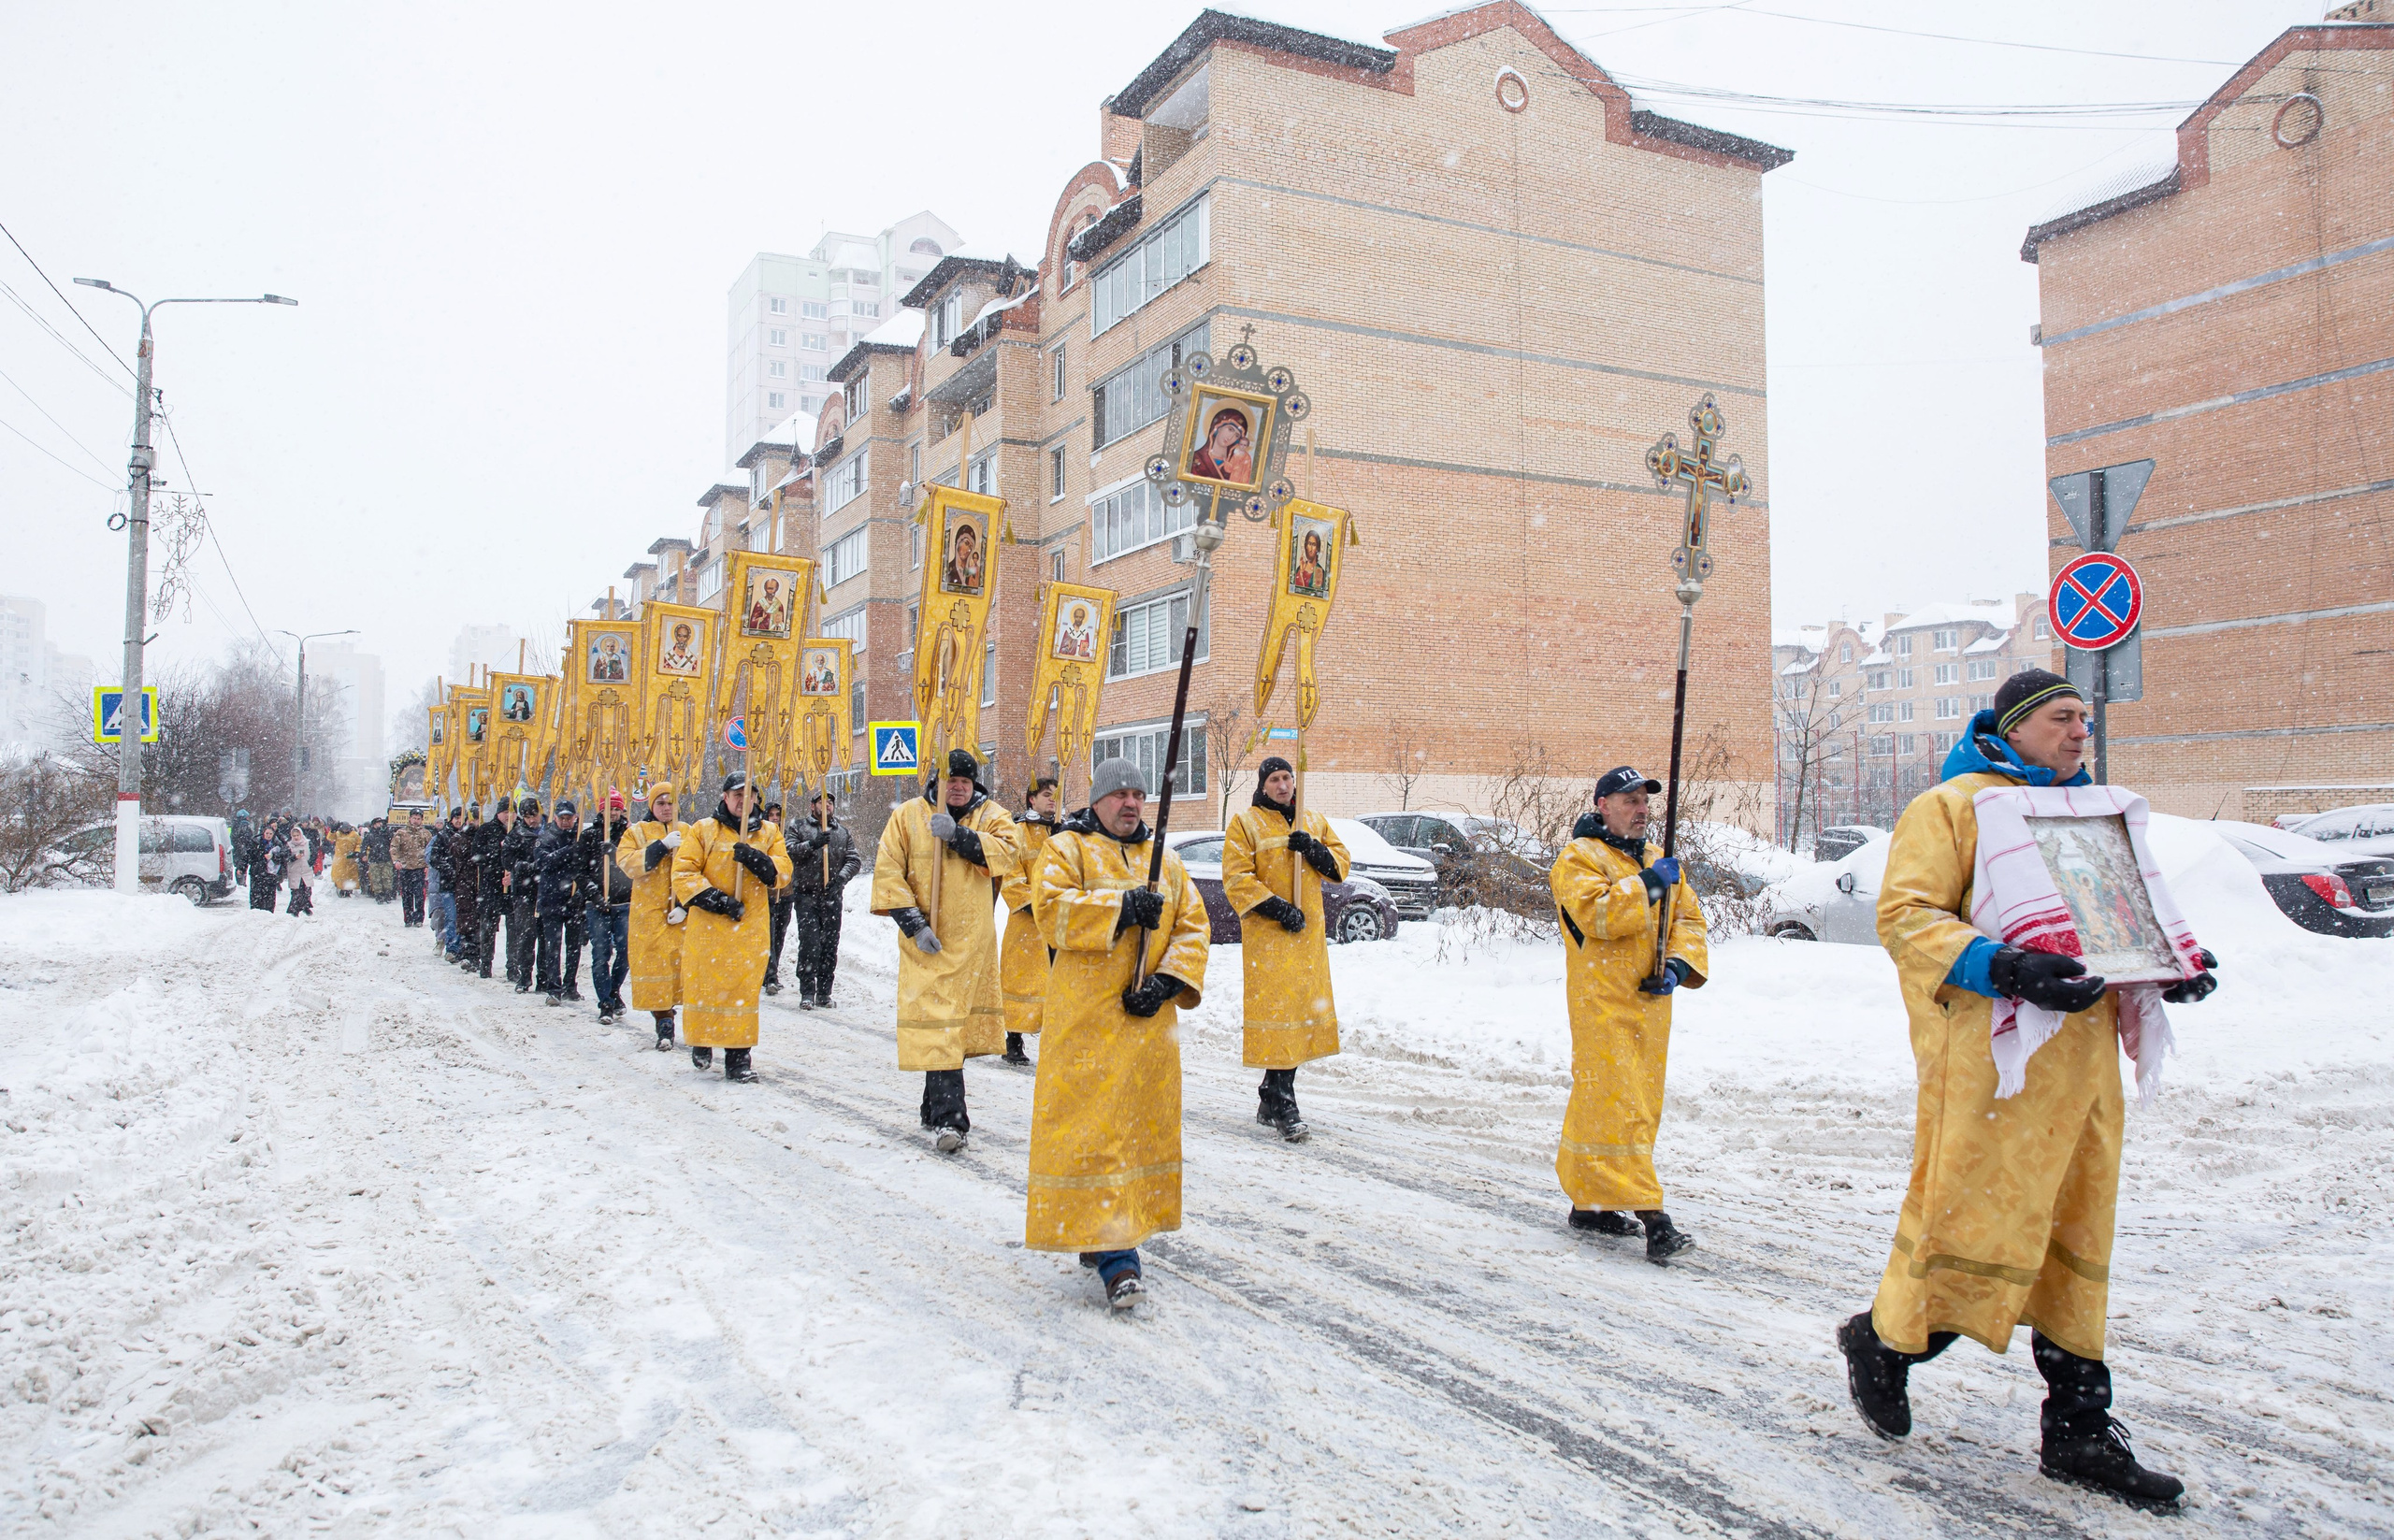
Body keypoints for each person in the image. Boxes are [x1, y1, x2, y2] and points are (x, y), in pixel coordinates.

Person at [1835, 669, 2217, 1513]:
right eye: (2061, 717)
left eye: (2085, 717)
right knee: (1977, 1220)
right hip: (1991, 1063)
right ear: (2014, 726)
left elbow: (2122, 917)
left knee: (2076, 1233)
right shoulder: (1954, 806)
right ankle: (1885, 1342)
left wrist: (2167, 969)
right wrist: (2003, 964)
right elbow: (1904, 917)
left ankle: (2079, 1427)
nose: (2081, 731)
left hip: (2082, 1067)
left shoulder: (2089, 813)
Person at [1026, 757, 1210, 1309]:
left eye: (1138, 793)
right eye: (1119, 795)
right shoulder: (1068, 849)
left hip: (1146, 1029)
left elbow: (1193, 927)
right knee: (1095, 1132)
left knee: (1133, 1133)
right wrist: (1120, 908)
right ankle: (1118, 1258)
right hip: (1085, 1027)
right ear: (1098, 801)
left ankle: (1104, 1230)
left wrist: (1166, 983)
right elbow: (1050, 910)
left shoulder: (1167, 862)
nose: (1130, 803)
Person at [1550, 765, 1707, 1262]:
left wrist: (1679, 966)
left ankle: (1590, 1202)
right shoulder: (1578, 859)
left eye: (1645, 802)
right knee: (1621, 1105)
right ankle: (1653, 1217)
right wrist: (1649, 887)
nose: (1641, 810)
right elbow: (1599, 917)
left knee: (1621, 1103)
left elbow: (1688, 919)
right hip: (1602, 1005)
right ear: (1603, 806)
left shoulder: (1659, 861)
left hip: (1650, 1006)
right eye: (1630, 800)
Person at [871, 749, 1023, 1150]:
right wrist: (914, 924)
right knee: (940, 1027)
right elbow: (889, 870)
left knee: (947, 1031)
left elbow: (1010, 851)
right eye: (950, 780)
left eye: (964, 782)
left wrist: (960, 837)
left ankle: (933, 1107)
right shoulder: (907, 815)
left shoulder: (991, 815)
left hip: (972, 946)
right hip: (928, 946)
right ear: (936, 782)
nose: (957, 788)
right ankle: (951, 1120)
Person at [1222, 756, 1350, 1140]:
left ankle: (1269, 1095)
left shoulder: (1311, 821)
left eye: (1287, 778)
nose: (1283, 785)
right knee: (1279, 1017)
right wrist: (1277, 908)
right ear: (1263, 785)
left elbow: (1341, 865)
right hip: (1270, 940)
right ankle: (1283, 1100)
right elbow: (1235, 878)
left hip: (1306, 941)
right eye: (1275, 779)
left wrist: (1313, 850)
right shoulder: (1245, 824)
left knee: (1296, 1018)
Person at [671, 772, 790, 1082]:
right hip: (709, 930)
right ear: (725, 797)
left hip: (748, 932)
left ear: (755, 799)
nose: (742, 800)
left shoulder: (769, 833)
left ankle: (738, 1058)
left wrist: (758, 860)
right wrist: (717, 901)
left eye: (748, 795)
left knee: (743, 994)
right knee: (706, 989)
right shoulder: (703, 830)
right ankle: (702, 1040)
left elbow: (783, 873)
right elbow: (683, 873)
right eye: (736, 794)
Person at [617, 784, 688, 1050]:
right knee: (655, 970)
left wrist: (685, 905)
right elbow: (630, 865)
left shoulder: (689, 831)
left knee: (683, 971)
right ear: (652, 806)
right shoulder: (637, 833)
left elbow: (699, 868)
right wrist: (660, 846)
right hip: (649, 917)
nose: (667, 808)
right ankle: (664, 1024)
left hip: (682, 917)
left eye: (671, 803)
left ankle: (691, 1027)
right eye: (661, 803)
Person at [998, 777, 1061, 1065]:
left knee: (1060, 984)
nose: (1052, 800)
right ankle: (1013, 1039)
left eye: (1056, 796)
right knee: (1022, 984)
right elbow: (1011, 878)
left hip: (1061, 923)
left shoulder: (1066, 833)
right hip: (1028, 924)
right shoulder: (1018, 833)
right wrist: (1037, 906)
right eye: (1047, 795)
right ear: (1031, 799)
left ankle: (1057, 1041)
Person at [784, 789, 859, 1010]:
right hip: (807, 895)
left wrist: (840, 879)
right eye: (821, 801)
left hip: (832, 896)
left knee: (829, 945)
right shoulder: (799, 827)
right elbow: (788, 851)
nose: (826, 805)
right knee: (810, 943)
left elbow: (853, 860)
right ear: (812, 806)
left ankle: (825, 992)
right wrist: (812, 845)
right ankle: (807, 990)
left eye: (830, 802)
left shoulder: (842, 832)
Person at [581, 792, 635, 1025]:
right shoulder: (589, 836)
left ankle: (614, 990)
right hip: (598, 905)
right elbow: (579, 871)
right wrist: (594, 894)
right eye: (609, 809)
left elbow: (637, 863)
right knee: (601, 953)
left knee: (625, 951)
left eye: (617, 809)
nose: (613, 813)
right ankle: (605, 1002)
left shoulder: (630, 835)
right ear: (601, 810)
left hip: (625, 902)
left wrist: (616, 852)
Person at [533, 799, 586, 1005]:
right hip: (551, 899)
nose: (566, 822)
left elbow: (587, 867)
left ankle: (570, 986)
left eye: (569, 818)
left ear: (575, 818)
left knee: (574, 947)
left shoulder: (580, 836)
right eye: (562, 818)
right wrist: (568, 851)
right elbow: (543, 862)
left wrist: (581, 892)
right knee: (552, 947)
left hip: (574, 901)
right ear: (556, 818)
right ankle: (553, 988)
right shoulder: (546, 837)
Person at [504, 799, 544, 991]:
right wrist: (523, 867)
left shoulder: (549, 831)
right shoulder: (516, 834)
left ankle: (544, 977)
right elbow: (507, 859)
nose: (531, 821)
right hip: (524, 892)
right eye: (527, 817)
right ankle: (524, 975)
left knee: (546, 937)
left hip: (546, 891)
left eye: (534, 816)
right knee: (526, 935)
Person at [473, 799, 515, 980]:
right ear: (498, 813)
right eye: (505, 811)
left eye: (511, 811)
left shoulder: (518, 830)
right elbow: (476, 855)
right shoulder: (486, 830)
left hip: (513, 888)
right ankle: (485, 963)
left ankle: (513, 966)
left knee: (515, 930)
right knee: (488, 928)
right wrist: (495, 850)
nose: (508, 815)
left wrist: (513, 874)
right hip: (490, 887)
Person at [390, 808, 433, 927]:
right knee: (407, 894)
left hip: (420, 868)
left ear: (421, 820)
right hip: (405, 868)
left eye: (418, 819)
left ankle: (419, 918)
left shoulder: (426, 834)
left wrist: (428, 865)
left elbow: (431, 850)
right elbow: (394, 848)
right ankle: (408, 918)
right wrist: (396, 861)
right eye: (414, 818)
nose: (416, 821)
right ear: (409, 818)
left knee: (420, 895)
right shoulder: (401, 833)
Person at [282, 822, 316, 915]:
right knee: (296, 891)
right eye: (294, 835)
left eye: (297, 835)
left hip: (306, 870)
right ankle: (294, 908)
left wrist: (309, 863)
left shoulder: (308, 843)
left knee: (307, 890)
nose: (296, 837)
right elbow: (285, 857)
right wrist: (294, 858)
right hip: (295, 871)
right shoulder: (289, 845)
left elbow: (314, 854)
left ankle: (306, 906)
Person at [365, 815, 397, 903]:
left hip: (386, 858)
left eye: (381, 823)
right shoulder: (370, 835)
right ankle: (379, 894)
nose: (380, 824)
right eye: (378, 823)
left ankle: (387, 894)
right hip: (375, 859)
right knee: (376, 877)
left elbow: (393, 842)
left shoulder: (386, 833)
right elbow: (364, 845)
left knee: (387, 877)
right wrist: (363, 855)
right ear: (374, 825)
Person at [328, 822, 362, 898]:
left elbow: (359, 844)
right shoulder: (337, 834)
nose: (345, 830)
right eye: (343, 829)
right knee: (340, 875)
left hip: (351, 858)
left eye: (346, 829)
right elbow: (330, 838)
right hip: (339, 858)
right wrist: (332, 830)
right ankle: (341, 889)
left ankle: (349, 889)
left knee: (350, 875)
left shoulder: (355, 835)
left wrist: (356, 852)